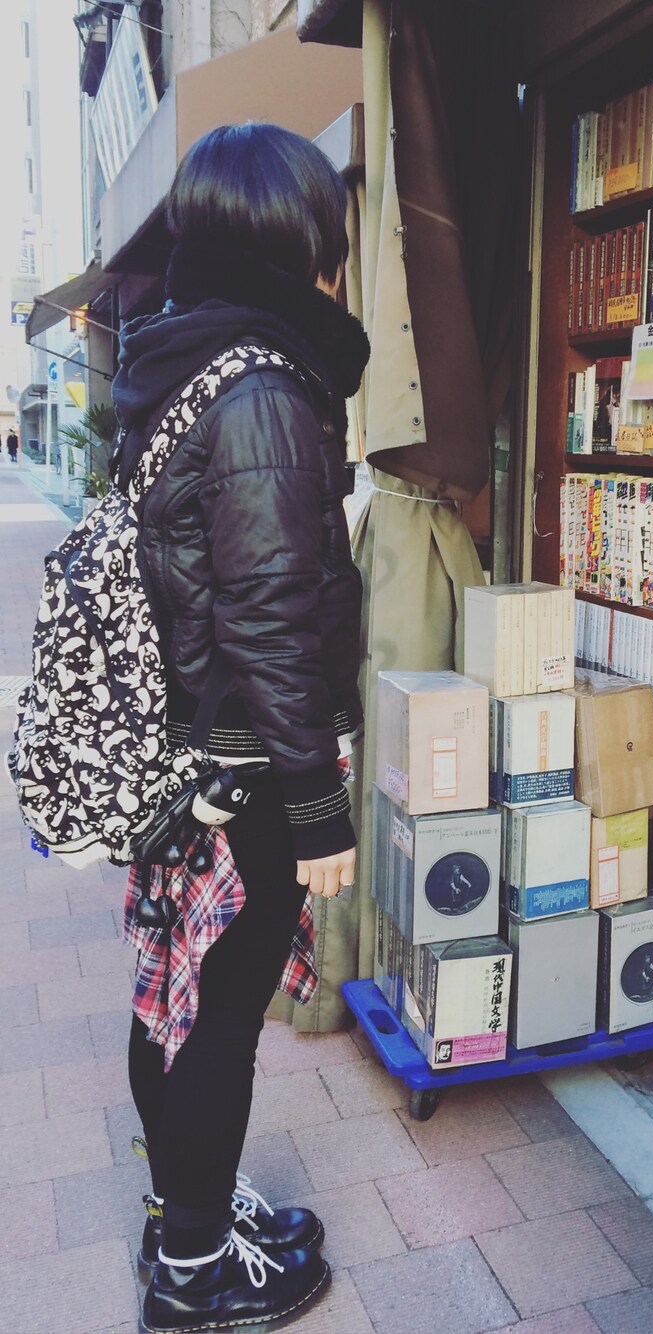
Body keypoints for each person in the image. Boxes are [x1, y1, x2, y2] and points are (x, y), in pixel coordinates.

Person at [111, 123, 370, 1334]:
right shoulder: (263, 388)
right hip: (247, 765)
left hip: (187, 755)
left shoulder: (178, 362)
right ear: (295, 237)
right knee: (219, 1016)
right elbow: (270, 617)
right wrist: (319, 808)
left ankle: (186, 1210)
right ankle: (195, 1269)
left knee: (171, 995)